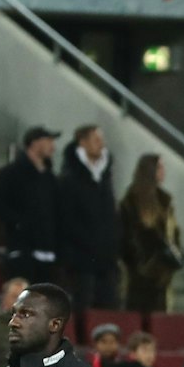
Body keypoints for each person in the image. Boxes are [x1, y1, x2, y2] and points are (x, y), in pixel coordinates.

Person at [57, 124, 118, 311]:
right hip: (80, 258)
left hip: (106, 258)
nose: (102, 144)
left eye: (102, 140)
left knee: (109, 308)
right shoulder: (69, 178)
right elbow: (66, 219)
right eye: (96, 140)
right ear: (82, 143)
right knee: (83, 307)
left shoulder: (104, 177)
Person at [0, 126, 59, 284]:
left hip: (48, 253)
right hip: (21, 251)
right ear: (34, 143)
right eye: (48, 140)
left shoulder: (50, 178)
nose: (52, 146)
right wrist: (20, 223)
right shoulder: (11, 173)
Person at [119, 154, 182, 314]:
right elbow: (129, 236)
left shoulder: (164, 200)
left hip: (162, 270)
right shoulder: (132, 201)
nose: (163, 171)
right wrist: (143, 262)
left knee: (159, 314)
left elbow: (172, 231)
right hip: (140, 270)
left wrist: (176, 252)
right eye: (159, 167)